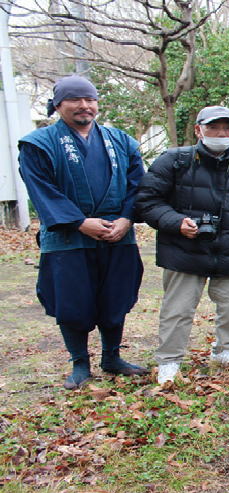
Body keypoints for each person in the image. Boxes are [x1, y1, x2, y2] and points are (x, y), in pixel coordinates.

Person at [18, 75, 146, 389]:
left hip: (117, 233)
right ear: (59, 104)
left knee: (115, 298)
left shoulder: (122, 141)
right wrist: (79, 222)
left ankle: (112, 357)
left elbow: (138, 186)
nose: (84, 106)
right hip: (68, 237)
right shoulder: (38, 143)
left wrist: (127, 219)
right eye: (75, 99)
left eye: (90, 99)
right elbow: (42, 190)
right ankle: (79, 363)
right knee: (72, 301)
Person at [136, 106, 229, 385]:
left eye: (227, 128)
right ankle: (169, 360)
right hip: (184, 249)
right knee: (178, 309)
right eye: (213, 127)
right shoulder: (174, 160)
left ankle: (226, 350)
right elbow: (147, 201)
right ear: (198, 130)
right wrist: (176, 222)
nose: (221, 134)